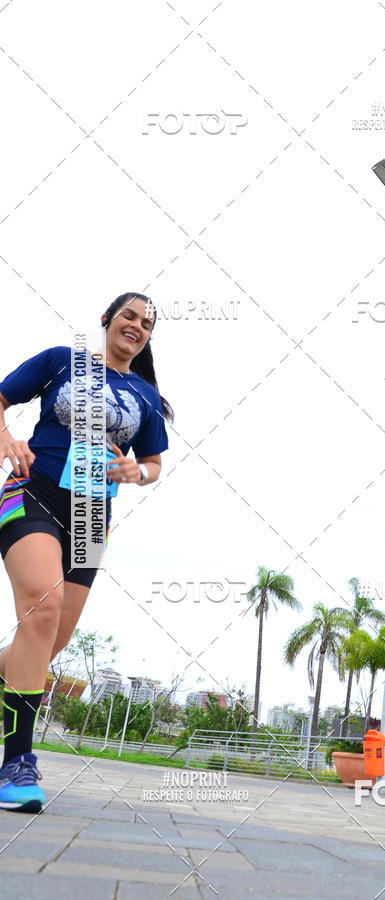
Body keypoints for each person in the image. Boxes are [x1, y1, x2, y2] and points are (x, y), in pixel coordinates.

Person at [0, 292, 172, 812]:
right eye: (129, 316)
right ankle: (17, 763)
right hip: (33, 491)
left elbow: (154, 464)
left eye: (146, 324)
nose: (136, 326)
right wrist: (6, 438)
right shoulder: (61, 361)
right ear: (108, 320)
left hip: (93, 519)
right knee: (42, 609)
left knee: (49, 642)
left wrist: (137, 472)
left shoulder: (145, 396)